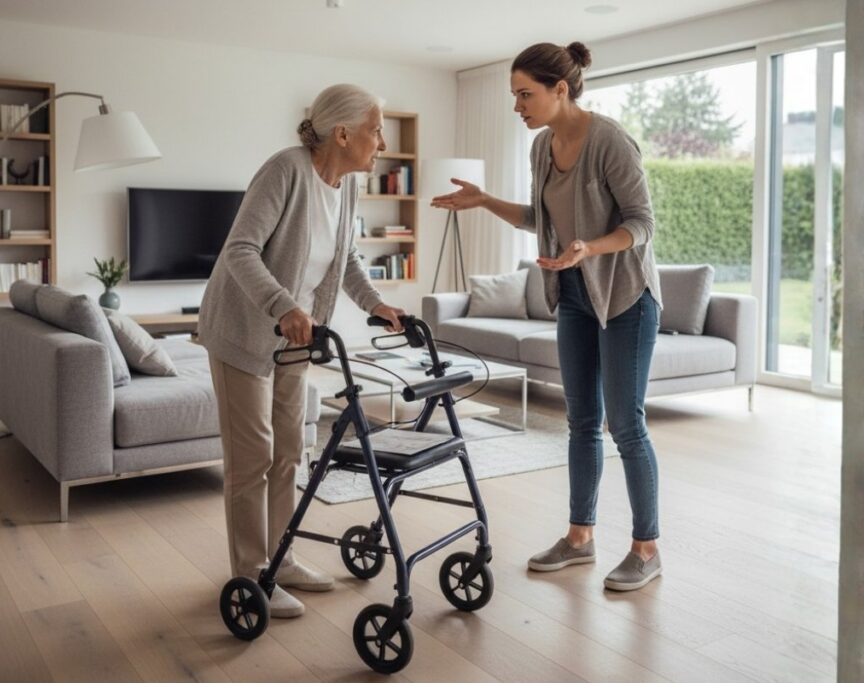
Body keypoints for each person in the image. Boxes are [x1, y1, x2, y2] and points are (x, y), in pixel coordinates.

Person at [431, 42, 664, 591]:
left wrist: (591, 247)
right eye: (514, 95)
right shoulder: (542, 147)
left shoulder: (609, 141)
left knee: (625, 424)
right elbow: (540, 216)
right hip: (576, 297)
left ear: (560, 88)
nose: (518, 105)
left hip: (626, 296)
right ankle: (579, 538)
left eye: (524, 94)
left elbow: (642, 223)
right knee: (580, 422)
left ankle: (646, 548)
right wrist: (486, 200)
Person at [200, 84, 405, 617]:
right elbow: (239, 249)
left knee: (291, 449)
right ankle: (251, 575)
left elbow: (347, 257)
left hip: (296, 335)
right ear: (342, 133)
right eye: (376, 129)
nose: (382, 141)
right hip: (245, 330)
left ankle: (280, 558)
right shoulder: (284, 171)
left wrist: (376, 304)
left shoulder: (348, 186)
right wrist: (283, 305)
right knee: (253, 458)